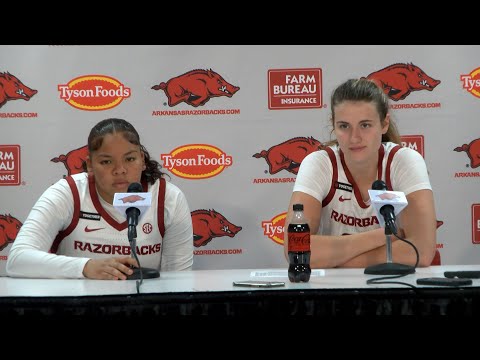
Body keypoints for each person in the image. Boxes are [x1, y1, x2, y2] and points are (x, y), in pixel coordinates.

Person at [7, 118, 194, 279]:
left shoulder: (168, 198)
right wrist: (86, 267)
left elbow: (178, 280)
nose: (120, 170)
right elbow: (17, 260)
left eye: (130, 159)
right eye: (106, 161)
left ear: (142, 160)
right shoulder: (68, 193)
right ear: (90, 165)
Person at [284, 78, 437, 269]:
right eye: (344, 126)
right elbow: (295, 249)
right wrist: (382, 236)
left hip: (394, 287)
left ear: (384, 124)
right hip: (333, 291)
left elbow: (421, 252)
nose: (354, 137)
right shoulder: (319, 164)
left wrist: (333, 259)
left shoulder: (405, 161)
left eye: (365, 125)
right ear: (334, 125)